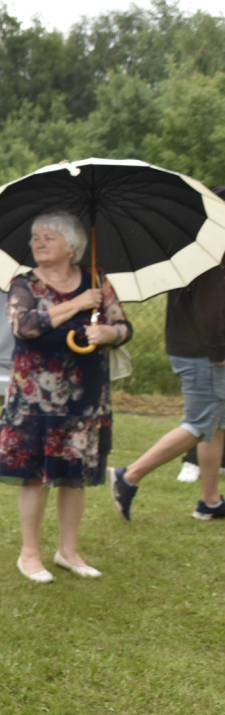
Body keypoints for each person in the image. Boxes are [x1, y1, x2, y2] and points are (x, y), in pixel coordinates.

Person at [0, 210, 132, 582]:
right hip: (35, 397)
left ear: (72, 246)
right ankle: (29, 554)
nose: (38, 243)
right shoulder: (25, 283)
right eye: (36, 237)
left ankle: (68, 551)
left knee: (74, 474)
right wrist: (78, 304)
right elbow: (25, 325)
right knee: (34, 475)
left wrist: (109, 335)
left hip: (86, 394)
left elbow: (124, 325)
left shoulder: (97, 279)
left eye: (48, 237)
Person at [109, 185, 225, 521]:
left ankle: (210, 501)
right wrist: (219, 354)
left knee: (216, 425)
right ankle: (127, 477)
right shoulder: (211, 251)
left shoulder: (197, 244)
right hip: (202, 353)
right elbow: (210, 311)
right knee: (199, 424)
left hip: (198, 348)